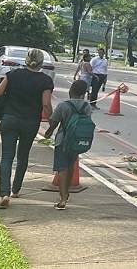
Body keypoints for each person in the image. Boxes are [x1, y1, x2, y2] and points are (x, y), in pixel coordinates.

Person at [0, 49, 54, 208]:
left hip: (9, 119)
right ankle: (15, 190)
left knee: (7, 157)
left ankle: (4, 193)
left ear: (26, 61)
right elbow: (46, 104)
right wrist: (51, 122)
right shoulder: (45, 80)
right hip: (30, 122)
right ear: (41, 63)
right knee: (23, 156)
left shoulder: (13, 74)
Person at [43, 80, 92, 210]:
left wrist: (48, 132)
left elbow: (54, 122)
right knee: (70, 166)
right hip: (76, 142)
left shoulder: (63, 105)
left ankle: (63, 198)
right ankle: (67, 193)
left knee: (61, 168)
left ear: (70, 91)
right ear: (84, 93)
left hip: (62, 141)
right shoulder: (87, 107)